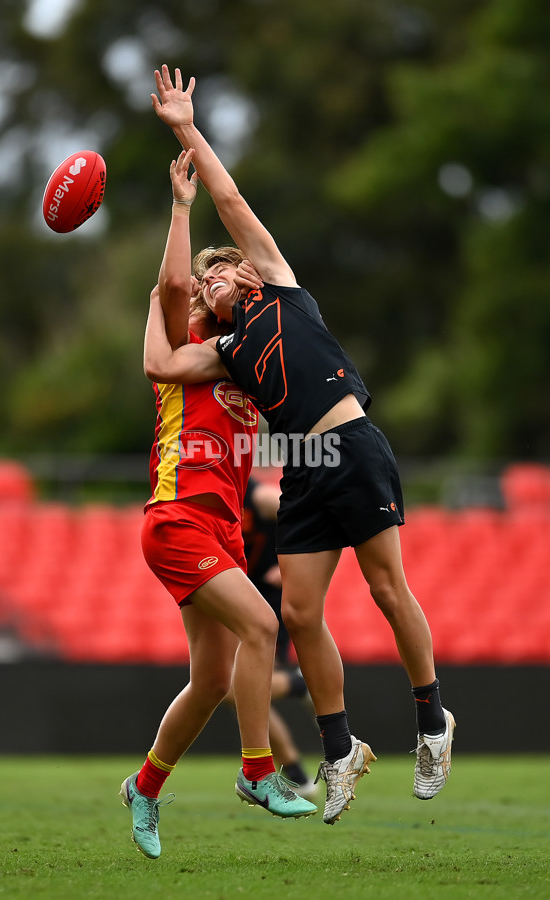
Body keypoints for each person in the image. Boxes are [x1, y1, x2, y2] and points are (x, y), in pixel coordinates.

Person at [147, 64, 456, 826]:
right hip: (305, 473)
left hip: (350, 443)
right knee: (303, 616)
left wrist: (186, 129)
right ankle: (341, 749)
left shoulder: (282, 285)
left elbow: (231, 198)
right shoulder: (224, 354)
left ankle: (431, 721)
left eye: (223, 270)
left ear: (250, 272)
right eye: (209, 281)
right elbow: (160, 361)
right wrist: (161, 294)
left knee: (387, 590)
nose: (216, 280)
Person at [119, 150, 317, 861]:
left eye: (219, 272)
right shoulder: (186, 341)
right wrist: (180, 204)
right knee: (263, 625)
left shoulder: (241, 352)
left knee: (209, 683)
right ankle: (259, 772)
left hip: (223, 529)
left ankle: (145, 786)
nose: (202, 283)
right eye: (202, 277)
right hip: (176, 519)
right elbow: (172, 283)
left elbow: (277, 326)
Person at [231, 473, 319, 799]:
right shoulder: (218, 497)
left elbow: (309, 516)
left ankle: (301, 685)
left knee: (238, 689)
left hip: (266, 606)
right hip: (238, 602)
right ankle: (296, 775)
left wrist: (289, 567)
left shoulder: (257, 496)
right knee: (248, 697)